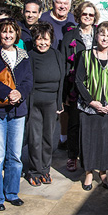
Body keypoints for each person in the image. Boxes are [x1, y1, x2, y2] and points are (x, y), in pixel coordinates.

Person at [0, 18, 33, 211]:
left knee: (15, 156)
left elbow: (28, 80)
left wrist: (20, 93)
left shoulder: (23, 55)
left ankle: (12, 193)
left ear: (17, 34)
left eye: (11, 32)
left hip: (18, 111)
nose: (8, 35)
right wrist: (6, 92)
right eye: (4, 32)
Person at [75, 22, 108, 190]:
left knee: (105, 143)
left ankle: (103, 173)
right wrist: (91, 101)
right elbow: (78, 80)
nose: (105, 38)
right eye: (102, 34)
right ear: (96, 36)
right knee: (89, 142)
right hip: (89, 108)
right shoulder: (85, 55)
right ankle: (89, 173)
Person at [60, 1, 99, 172]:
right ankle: (72, 156)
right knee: (74, 122)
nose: (88, 17)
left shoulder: (100, 33)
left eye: (91, 15)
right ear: (78, 15)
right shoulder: (70, 37)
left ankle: (91, 156)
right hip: (74, 85)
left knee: (93, 124)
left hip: (97, 86)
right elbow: (63, 65)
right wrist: (64, 95)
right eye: (85, 14)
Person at [25, 23, 64, 186]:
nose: (42, 43)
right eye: (39, 39)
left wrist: (59, 102)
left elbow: (61, 80)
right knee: (34, 139)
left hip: (51, 103)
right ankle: (34, 171)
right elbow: (27, 81)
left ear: (51, 40)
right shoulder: (30, 56)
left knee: (48, 138)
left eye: (46, 39)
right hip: (34, 103)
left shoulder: (57, 55)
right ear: (34, 41)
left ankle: (45, 170)